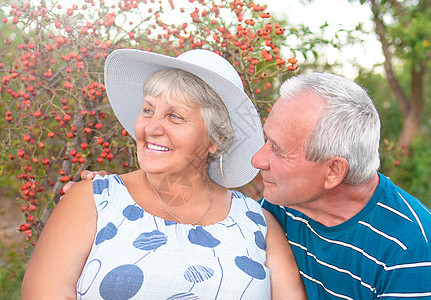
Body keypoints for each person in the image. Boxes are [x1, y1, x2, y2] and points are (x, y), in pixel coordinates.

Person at [21, 49, 307, 299]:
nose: (151, 127)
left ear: (215, 140)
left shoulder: (258, 224)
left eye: (174, 116)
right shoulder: (92, 200)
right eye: (148, 110)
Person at [251, 72, 431, 299]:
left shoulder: (410, 251)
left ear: (333, 172)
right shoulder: (281, 206)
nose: (257, 160)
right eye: (267, 140)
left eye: (277, 149)